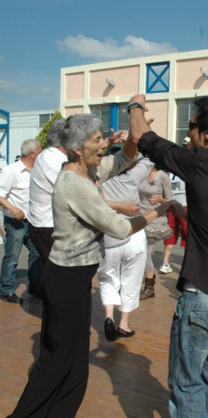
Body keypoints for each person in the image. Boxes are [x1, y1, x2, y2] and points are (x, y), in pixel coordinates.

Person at [8, 114, 172, 417]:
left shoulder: (86, 172)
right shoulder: (74, 183)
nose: (104, 144)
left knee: (73, 368)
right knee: (58, 365)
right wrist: (162, 209)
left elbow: (121, 159)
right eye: (97, 140)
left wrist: (135, 135)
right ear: (77, 149)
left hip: (75, 280)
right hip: (65, 281)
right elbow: (120, 228)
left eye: (103, 138)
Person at [129, 94, 208, 417]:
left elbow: (144, 138)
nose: (189, 133)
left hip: (204, 297)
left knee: (187, 384)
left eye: (192, 126)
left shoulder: (201, 163)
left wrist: (134, 105)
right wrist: (178, 210)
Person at [98, 152, 153, 340]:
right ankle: (124, 323)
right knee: (131, 280)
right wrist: (133, 147)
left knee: (108, 279)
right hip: (134, 234)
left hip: (109, 236)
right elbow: (148, 159)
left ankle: (108, 316)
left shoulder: (99, 179)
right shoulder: (133, 176)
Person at [0, 139, 43, 303]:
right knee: (12, 256)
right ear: (32, 154)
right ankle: (6, 289)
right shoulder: (11, 171)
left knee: (36, 254)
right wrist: (12, 208)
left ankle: (35, 287)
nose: (41, 155)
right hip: (16, 223)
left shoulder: (37, 171)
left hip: (33, 221)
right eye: (39, 152)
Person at [27, 119, 67, 262]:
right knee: (61, 273)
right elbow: (73, 194)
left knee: (49, 271)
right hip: (48, 226)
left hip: (44, 224)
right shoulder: (56, 161)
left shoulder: (47, 155)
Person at [139, 165, 172, 299]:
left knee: (145, 253)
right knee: (138, 253)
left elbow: (171, 202)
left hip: (155, 219)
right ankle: (146, 283)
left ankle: (149, 287)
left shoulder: (162, 176)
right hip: (139, 218)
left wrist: (160, 200)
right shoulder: (141, 172)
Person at [159, 137, 190, 274]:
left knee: (171, 233)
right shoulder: (190, 162)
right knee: (187, 235)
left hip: (172, 203)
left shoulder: (173, 162)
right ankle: (187, 265)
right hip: (184, 204)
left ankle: (165, 263)